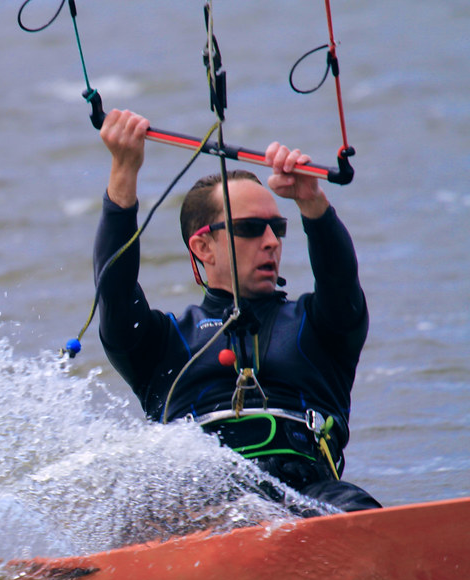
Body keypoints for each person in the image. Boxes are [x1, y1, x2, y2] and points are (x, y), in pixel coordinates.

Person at [94, 108, 380, 512]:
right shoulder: (163, 345)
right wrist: (123, 171)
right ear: (202, 247)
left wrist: (310, 201)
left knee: (356, 506)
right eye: (249, 228)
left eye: (277, 229)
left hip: (307, 496)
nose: (271, 241)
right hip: (198, 506)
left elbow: (341, 280)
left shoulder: (320, 327)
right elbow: (115, 294)